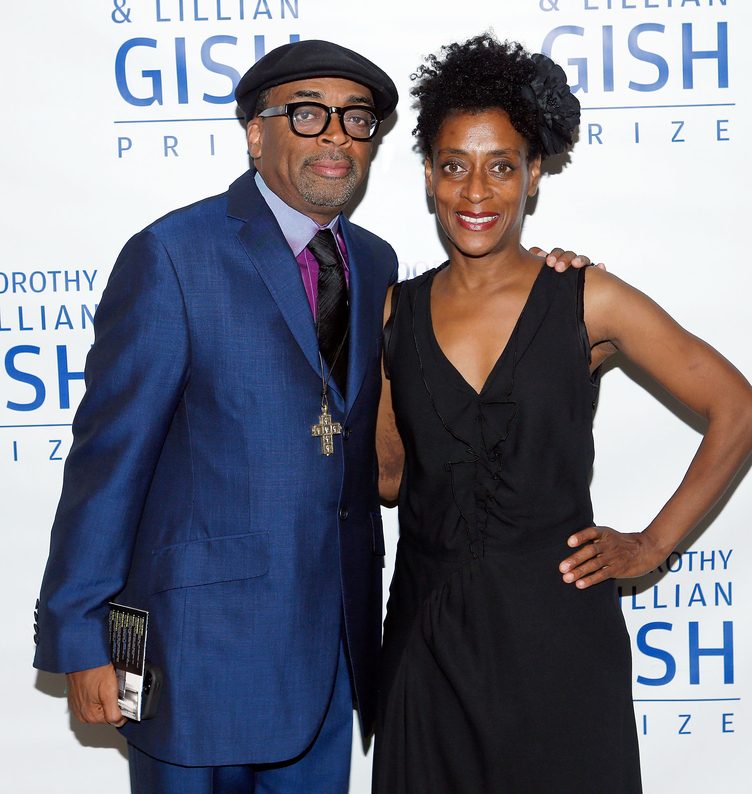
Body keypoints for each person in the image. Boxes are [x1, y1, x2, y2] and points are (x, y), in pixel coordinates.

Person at [32, 39, 589, 793]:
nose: (335, 135)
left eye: (357, 119)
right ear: (256, 134)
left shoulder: (379, 263)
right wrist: (83, 638)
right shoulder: (174, 256)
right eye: (307, 114)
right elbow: (110, 462)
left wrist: (547, 278)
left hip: (332, 661)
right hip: (189, 661)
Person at [373, 35, 752, 794]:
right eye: (455, 165)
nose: (477, 192)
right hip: (428, 644)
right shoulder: (395, 312)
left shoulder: (587, 298)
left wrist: (652, 545)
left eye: (502, 166)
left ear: (534, 177)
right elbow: (389, 479)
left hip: (557, 637)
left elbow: (740, 410)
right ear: (428, 177)